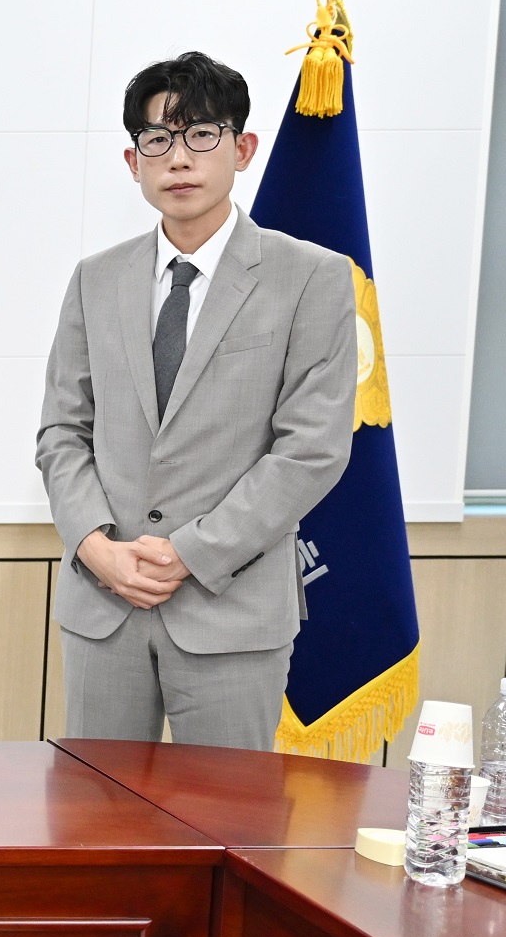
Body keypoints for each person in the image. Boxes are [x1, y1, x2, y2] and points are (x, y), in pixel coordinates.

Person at [37, 52, 356, 748]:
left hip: (231, 607)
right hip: (104, 605)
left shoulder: (312, 277)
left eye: (201, 135)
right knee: (98, 805)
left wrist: (191, 552)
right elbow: (62, 431)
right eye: (158, 139)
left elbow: (312, 450)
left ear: (243, 148)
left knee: (228, 810)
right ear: (133, 162)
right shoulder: (95, 279)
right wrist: (96, 547)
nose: (178, 157)